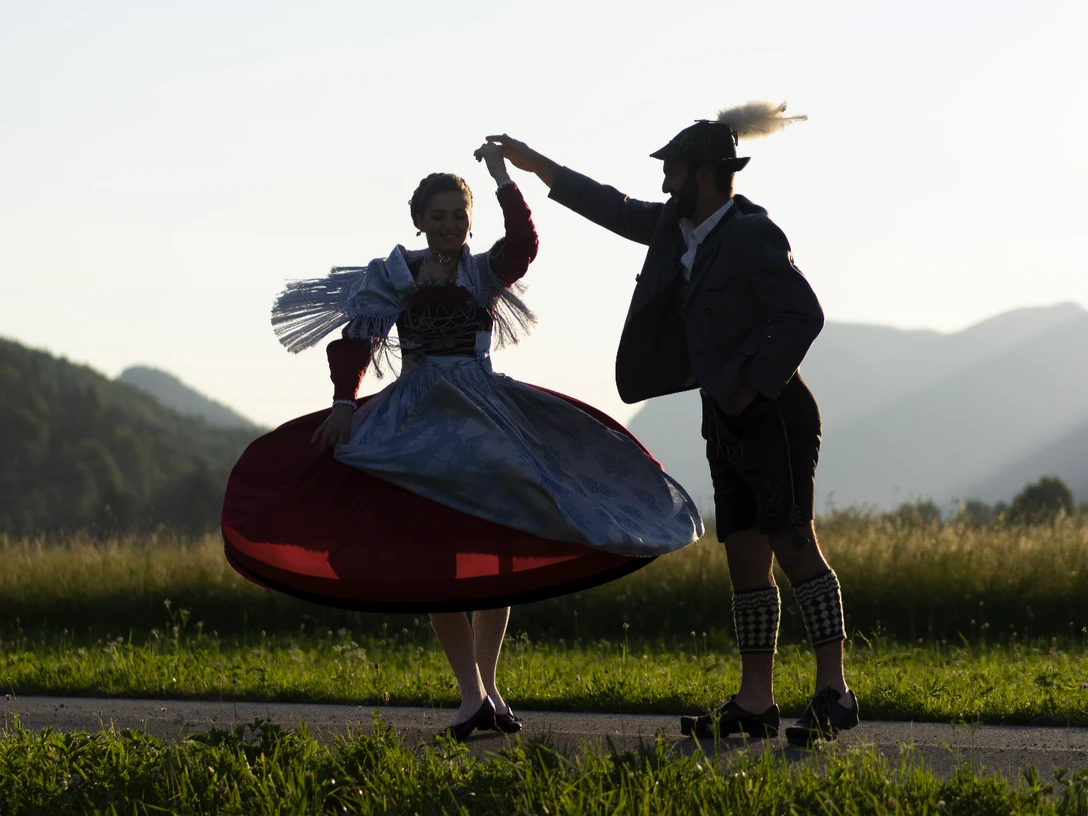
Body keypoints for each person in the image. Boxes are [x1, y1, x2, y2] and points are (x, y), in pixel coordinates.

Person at [221, 144, 703, 741]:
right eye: (440, 215)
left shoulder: (482, 271)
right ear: (420, 219)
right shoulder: (394, 274)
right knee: (438, 551)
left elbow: (525, 245)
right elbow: (358, 341)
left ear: (470, 224)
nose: (450, 225)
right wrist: (345, 404)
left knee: (496, 543)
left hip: (486, 411)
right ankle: (469, 694)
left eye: (459, 216)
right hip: (418, 416)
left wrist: (504, 179)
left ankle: (490, 689)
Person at [486, 102, 858, 746]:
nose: (665, 183)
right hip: (727, 418)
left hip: (776, 417)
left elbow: (803, 315)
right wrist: (529, 161)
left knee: (795, 547)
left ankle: (834, 692)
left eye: (675, 172)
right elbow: (607, 204)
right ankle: (756, 700)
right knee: (745, 560)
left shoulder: (751, 234)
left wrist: (748, 386)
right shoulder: (673, 229)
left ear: (708, 175)